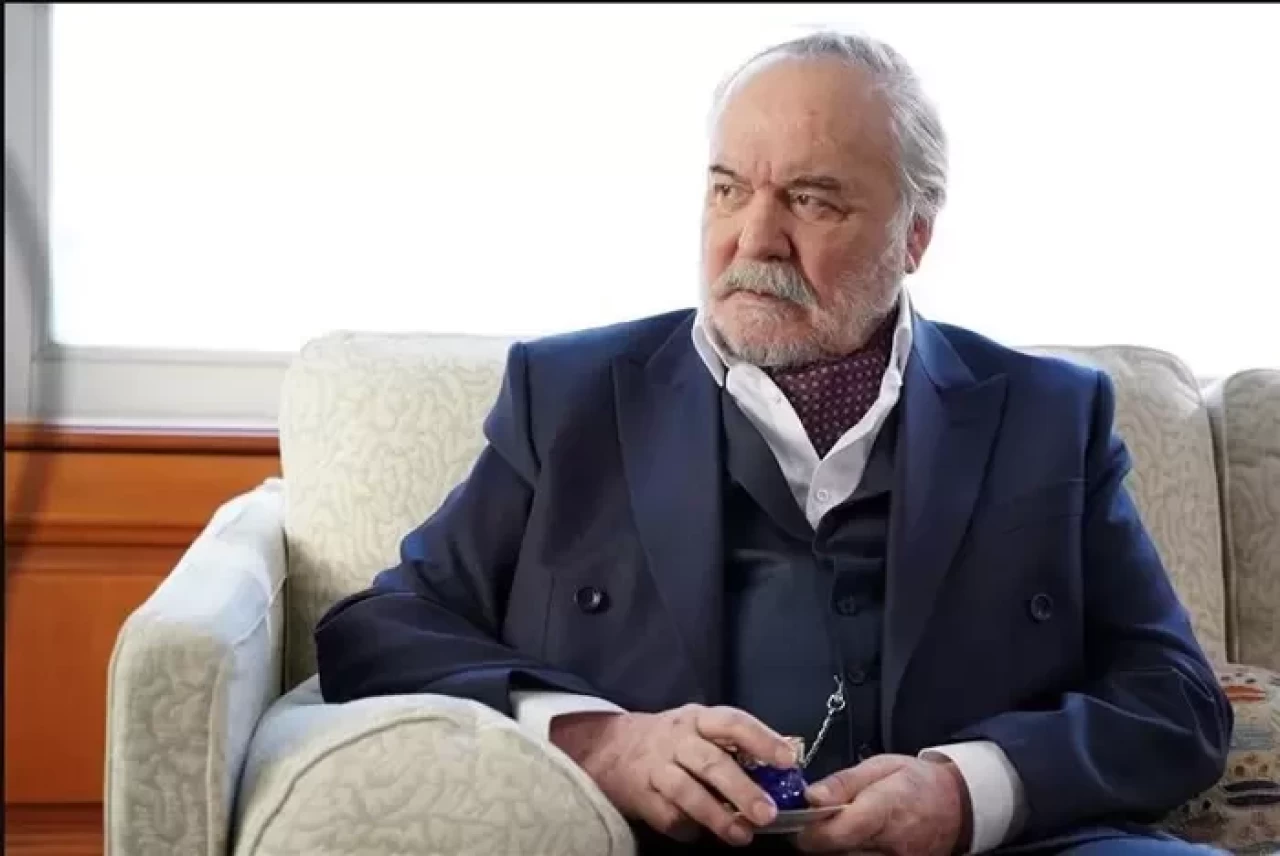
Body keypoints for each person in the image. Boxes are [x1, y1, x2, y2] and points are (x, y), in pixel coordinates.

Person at [314, 30, 1232, 856]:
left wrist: (969, 790)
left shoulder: (1049, 416)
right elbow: (380, 630)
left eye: (811, 199)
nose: (756, 239)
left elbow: (1177, 698)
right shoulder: (567, 398)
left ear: (913, 236)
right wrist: (599, 740)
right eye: (727, 190)